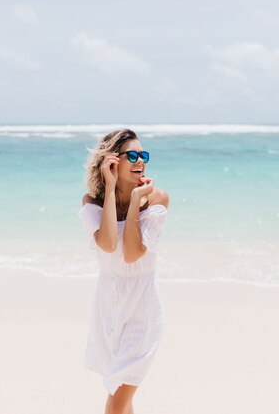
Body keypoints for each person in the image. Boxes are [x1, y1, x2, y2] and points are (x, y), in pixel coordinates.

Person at [78, 128, 169, 414]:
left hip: (142, 309)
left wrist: (134, 203)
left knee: (116, 402)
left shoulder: (156, 199)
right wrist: (110, 187)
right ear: (112, 161)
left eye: (143, 155)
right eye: (132, 155)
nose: (140, 161)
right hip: (108, 308)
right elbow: (106, 244)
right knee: (123, 398)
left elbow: (131, 253)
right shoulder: (92, 203)